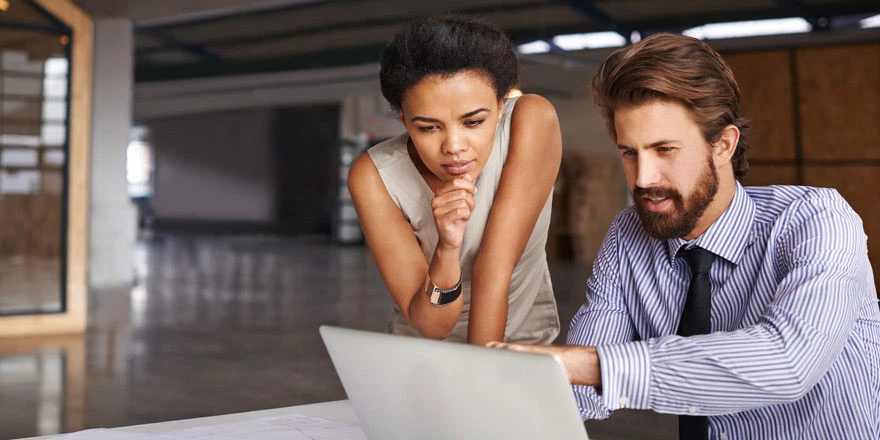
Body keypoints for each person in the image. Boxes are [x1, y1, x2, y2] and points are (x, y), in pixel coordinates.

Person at [489, 33, 880, 439]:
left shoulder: (816, 220)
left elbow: (789, 362)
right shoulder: (628, 237)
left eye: (665, 150)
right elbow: (583, 392)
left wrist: (590, 366)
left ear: (724, 145)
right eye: (629, 152)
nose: (643, 179)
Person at [348, 14, 562, 345]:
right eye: (428, 127)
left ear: (501, 105)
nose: (454, 147)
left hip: (517, 347)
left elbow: (493, 270)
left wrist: (477, 381)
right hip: (422, 354)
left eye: (473, 122)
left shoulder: (531, 120)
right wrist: (447, 248)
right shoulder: (374, 176)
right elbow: (434, 327)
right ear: (404, 120)